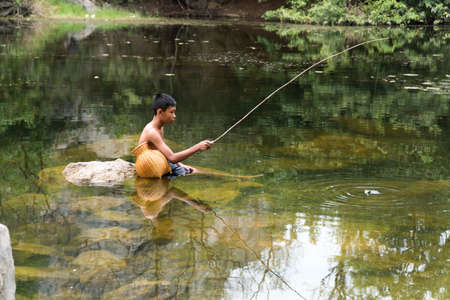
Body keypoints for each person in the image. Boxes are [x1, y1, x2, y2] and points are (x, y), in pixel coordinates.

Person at [135, 93, 213, 177]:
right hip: (151, 165)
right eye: (171, 112)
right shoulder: (152, 132)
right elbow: (172, 158)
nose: (174, 116)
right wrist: (197, 146)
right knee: (195, 171)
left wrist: (181, 165)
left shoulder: (159, 127)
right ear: (160, 112)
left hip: (160, 161)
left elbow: (164, 152)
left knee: (190, 170)